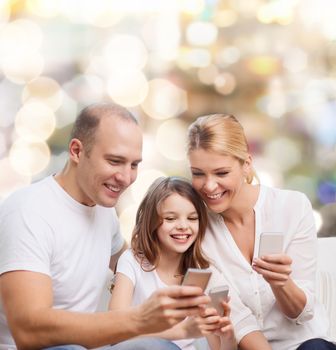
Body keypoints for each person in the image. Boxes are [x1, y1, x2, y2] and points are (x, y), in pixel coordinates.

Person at [0, 103, 209, 350]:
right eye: (114, 161)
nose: (126, 177)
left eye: (133, 165)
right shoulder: (28, 212)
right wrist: (140, 319)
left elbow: (132, 259)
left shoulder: (103, 210)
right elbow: (29, 331)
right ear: (77, 151)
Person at [187, 113, 336, 350]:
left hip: (303, 343)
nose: (208, 186)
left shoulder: (292, 207)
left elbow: (302, 313)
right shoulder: (196, 229)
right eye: (198, 173)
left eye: (221, 173)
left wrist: (281, 283)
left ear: (246, 164)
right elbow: (236, 318)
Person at [109, 176, 238, 350]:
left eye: (192, 218)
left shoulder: (203, 272)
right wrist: (182, 331)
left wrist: (227, 337)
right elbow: (114, 332)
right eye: (170, 219)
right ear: (152, 221)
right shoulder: (132, 261)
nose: (183, 226)